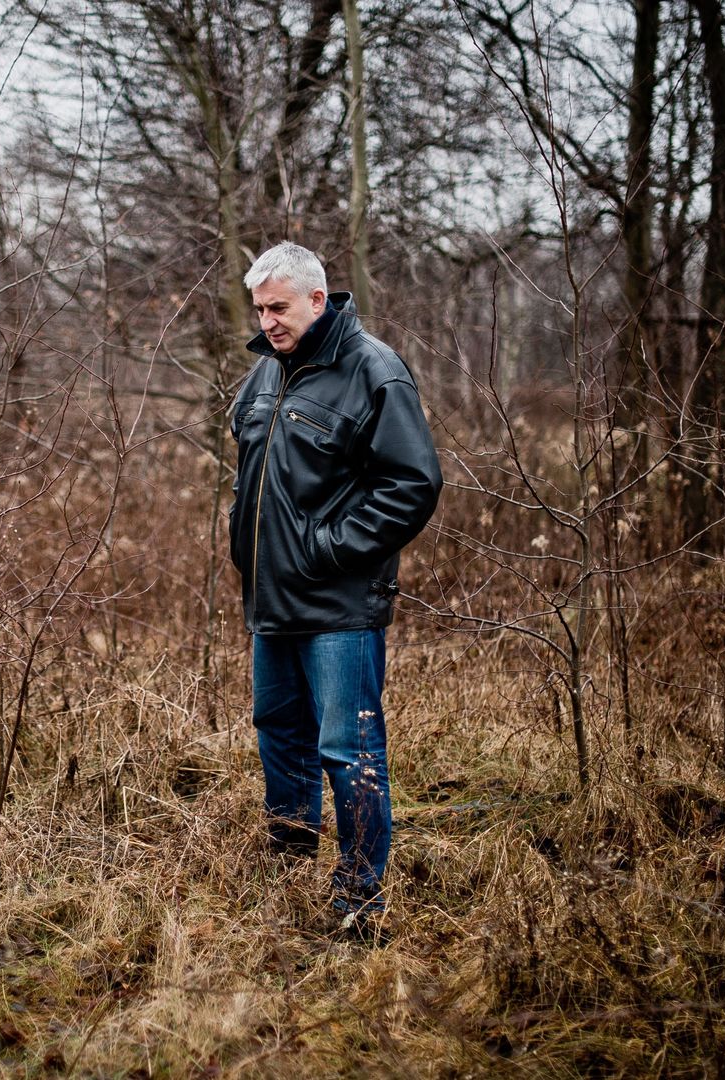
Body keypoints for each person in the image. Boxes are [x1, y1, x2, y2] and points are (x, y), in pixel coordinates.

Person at [227, 242, 442, 921]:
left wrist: (324, 549)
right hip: (271, 598)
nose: (268, 322)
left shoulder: (373, 371)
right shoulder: (263, 376)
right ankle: (288, 864)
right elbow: (250, 474)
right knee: (278, 731)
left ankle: (358, 896)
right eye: (260, 309)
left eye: (279, 307)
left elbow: (412, 484)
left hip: (339, 605)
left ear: (317, 299)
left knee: (347, 749)